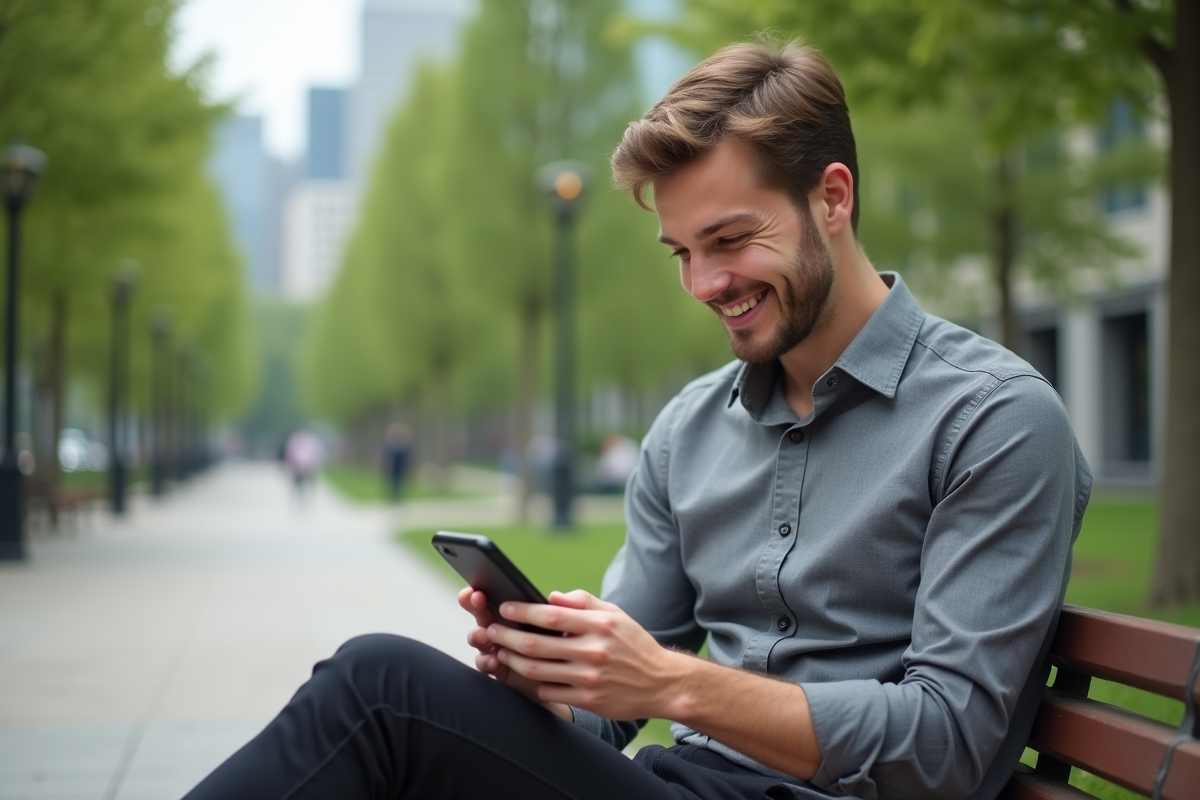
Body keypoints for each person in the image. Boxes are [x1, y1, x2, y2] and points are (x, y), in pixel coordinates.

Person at [184, 38, 1090, 800]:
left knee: (382, 690)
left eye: (731, 240)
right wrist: (555, 677)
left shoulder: (995, 420)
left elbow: (949, 742)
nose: (705, 286)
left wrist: (671, 683)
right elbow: (611, 711)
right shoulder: (690, 430)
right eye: (682, 254)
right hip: (676, 784)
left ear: (834, 198)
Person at [284, 428, 322, 503]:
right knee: (300, 482)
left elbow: (315, 453)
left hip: (305, 464)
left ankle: (303, 497)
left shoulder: (307, 440)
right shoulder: (300, 440)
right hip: (300, 464)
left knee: (305, 482)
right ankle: (301, 497)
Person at [379, 422, 413, 502]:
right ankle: (392, 498)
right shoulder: (388, 446)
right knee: (391, 484)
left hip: (401, 469)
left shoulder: (405, 446)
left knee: (400, 484)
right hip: (391, 469)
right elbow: (383, 457)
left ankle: (398, 498)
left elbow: (408, 458)